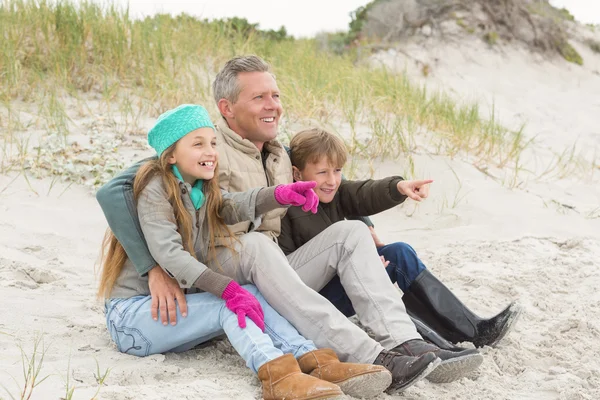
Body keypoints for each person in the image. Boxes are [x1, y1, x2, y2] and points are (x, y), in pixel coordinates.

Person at [96, 55, 481, 389]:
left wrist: (382, 199)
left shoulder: (280, 152)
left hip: (272, 268)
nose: (273, 106)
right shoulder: (205, 145)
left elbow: (337, 187)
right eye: (259, 97)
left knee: (352, 233)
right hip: (217, 268)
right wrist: (151, 270)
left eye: (275, 96)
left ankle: (402, 343)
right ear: (227, 108)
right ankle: (370, 354)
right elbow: (116, 189)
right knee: (259, 246)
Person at [98, 104, 398, 400]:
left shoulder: (200, 187)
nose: (210, 151)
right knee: (231, 302)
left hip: (175, 310)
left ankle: (316, 362)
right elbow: (170, 254)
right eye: (198, 144)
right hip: (133, 318)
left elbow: (233, 205)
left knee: (251, 293)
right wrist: (225, 288)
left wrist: (279, 194)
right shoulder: (155, 188)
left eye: (213, 143)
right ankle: (278, 377)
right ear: (171, 155)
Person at [280, 128, 522, 349]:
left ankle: (471, 330)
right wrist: (360, 270)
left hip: (337, 280)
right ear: (296, 173)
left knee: (399, 253)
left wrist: (399, 187)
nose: (332, 181)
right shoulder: (286, 206)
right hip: (313, 300)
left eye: (338, 171)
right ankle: (437, 344)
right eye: (322, 172)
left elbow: (364, 192)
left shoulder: (334, 192)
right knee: (380, 268)